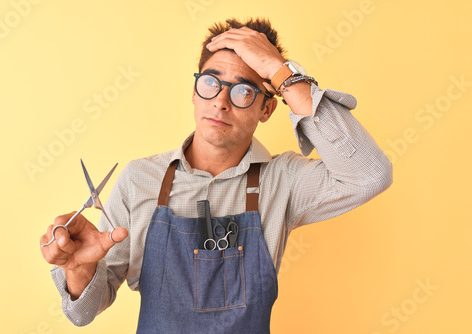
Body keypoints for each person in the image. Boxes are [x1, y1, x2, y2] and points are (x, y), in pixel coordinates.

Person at [40, 18, 393, 333]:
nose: (221, 101)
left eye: (243, 91)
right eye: (211, 82)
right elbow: (83, 314)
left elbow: (370, 175)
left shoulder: (283, 181)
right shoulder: (139, 179)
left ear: (267, 108)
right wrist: (80, 270)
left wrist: (281, 71)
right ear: (194, 93)